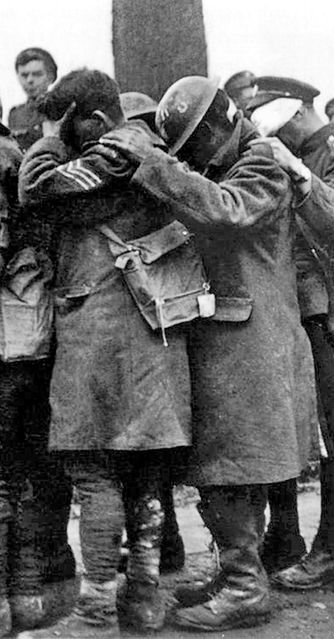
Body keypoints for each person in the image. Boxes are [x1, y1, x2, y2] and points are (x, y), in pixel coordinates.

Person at [100, 75, 318, 631]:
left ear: (221, 124)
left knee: (234, 464)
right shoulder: (230, 164)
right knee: (222, 465)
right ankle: (236, 572)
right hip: (228, 337)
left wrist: (152, 162)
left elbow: (224, 211)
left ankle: (246, 586)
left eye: (196, 141)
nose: (192, 154)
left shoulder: (263, 163)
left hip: (252, 339)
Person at [19, 69, 192, 637]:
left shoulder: (99, 160)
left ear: (91, 121)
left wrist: (48, 133)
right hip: (153, 333)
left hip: (96, 330)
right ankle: (143, 597)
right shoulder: (155, 153)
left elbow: (34, 188)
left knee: (94, 471)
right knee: (144, 472)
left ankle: (97, 603)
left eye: (69, 125)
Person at [245, 75, 334, 589]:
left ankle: (331, 549)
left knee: (333, 429)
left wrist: (298, 173)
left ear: (294, 114)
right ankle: (287, 536)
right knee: (289, 423)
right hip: (294, 308)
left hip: (330, 314)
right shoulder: (303, 151)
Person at [114, 91, 187, 575]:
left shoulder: (158, 174)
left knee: (154, 449)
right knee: (148, 449)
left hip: (164, 322)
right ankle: (167, 543)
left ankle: (164, 546)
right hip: (153, 321)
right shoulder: (152, 173)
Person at [0, 106, 57, 636]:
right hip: (35, 341)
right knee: (31, 473)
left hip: (5, 345)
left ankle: (5, 597)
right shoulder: (23, 161)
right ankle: (30, 591)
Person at [9, 48, 57, 149]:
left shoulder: (59, 110)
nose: (30, 80)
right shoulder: (15, 114)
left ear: (51, 77)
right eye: (24, 75)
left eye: (37, 74)